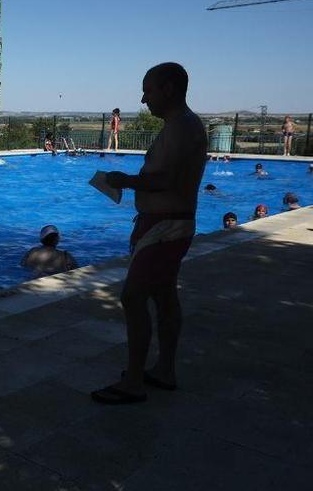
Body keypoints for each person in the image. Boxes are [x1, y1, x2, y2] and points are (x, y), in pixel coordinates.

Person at [92, 63, 208, 405]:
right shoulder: (183, 125)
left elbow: (164, 180)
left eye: (148, 90)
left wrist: (123, 180)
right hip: (170, 224)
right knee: (163, 296)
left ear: (168, 89)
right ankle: (164, 370)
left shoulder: (180, 127)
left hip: (165, 227)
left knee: (133, 297)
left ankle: (134, 383)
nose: (144, 99)